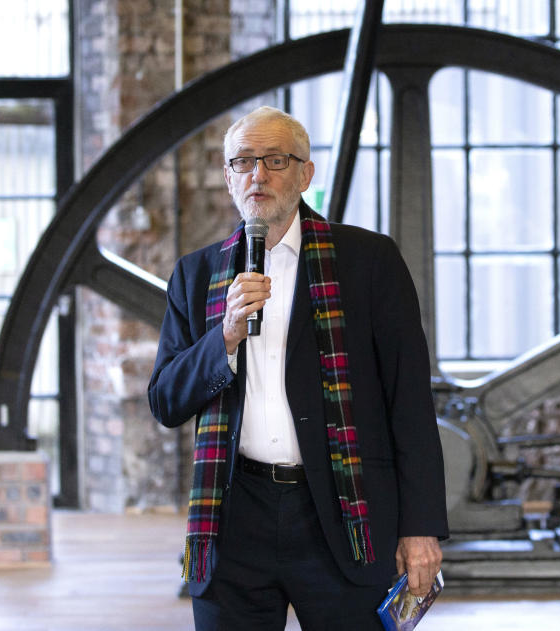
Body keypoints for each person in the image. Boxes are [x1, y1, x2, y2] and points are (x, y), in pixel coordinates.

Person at [148, 106, 448, 631]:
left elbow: (410, 405)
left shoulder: (368, 261)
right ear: (228, 177)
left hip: (345, 511)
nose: (257, 175)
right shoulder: (196, 276)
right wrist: (224, 336)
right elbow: (166, 400)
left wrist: (420, 528)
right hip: (234, 516)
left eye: (276, 160)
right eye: (243, 162)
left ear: (306, 173)